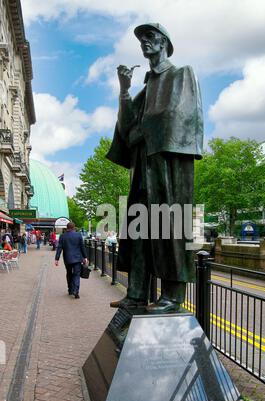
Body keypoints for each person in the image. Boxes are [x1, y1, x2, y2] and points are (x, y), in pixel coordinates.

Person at [107, 23, 203, 314]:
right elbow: (125, 129)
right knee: (139, 232)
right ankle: (136, 293)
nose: (144, 43)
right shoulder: (144, 89)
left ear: (164, 42)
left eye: (149, 37)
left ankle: (173, 296)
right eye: (141, 40)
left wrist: (142, 130)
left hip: (166, 166)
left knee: (170, 228)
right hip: (142, 167)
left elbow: (178, 116)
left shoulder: (180, 74)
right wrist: (124, 91)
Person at [55, 222, 88, 299]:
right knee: (76, 275)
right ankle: (76, 291)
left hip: (67, 259)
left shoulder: (62, 236)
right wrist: (85, 257)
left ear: (67, 228)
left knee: (69, 274)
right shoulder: (78, 235)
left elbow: (59, 248)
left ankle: (70, 290)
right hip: (77, 259)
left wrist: (57, 259)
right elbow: (82, 247)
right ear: (74, 227)